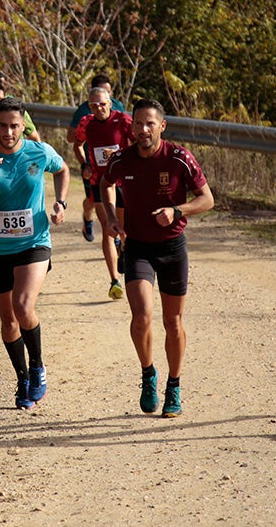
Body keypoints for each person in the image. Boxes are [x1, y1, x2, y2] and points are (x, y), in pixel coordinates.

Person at [101, 99, 214, 418]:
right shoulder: (121, 159)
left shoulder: (179, 158)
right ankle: (149, 374)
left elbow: (207, 199)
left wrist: (178, 210)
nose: (143, 129)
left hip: (172, 248)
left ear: (162, 126)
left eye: (150, 123)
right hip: (137, 246)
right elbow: (104, 184)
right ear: (132, 127)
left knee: (173, 322)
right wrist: (110, 216)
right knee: (141, 317)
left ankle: (174, 386)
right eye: (138, 124)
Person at [0, 97, 69, 410]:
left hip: (34, 242)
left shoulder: (39, 151)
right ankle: (22, 378)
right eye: (2, 126)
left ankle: (37, 367)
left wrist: (61, 203)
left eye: (14, 126)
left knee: (24, 306)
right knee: (9, 322)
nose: (8, 132)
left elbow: (62, 169)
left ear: (24, 125)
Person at [74, 87, 135, 300]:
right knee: (108, 229)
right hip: (98, 182)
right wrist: (84, 164)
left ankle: (126, 252)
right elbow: (77, 144)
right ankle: (114, 281)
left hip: (123, 182)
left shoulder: (123, 121)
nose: (98, 108)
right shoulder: (86, 123)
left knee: (124, 228)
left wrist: (119, 154)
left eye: (102, 104)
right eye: (93, 105)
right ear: (89, 107)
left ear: (110, 103)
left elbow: (139, 146)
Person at [67, 74, 125, 243]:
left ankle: (117, 238)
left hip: (116, 168)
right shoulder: (84, 112)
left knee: (119, 205)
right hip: (92, 165)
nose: (102, 105)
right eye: (96, 103)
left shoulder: (118, 106)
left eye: (108, 94)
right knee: (92, 201)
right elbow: (72, 139)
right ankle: (88, 218)